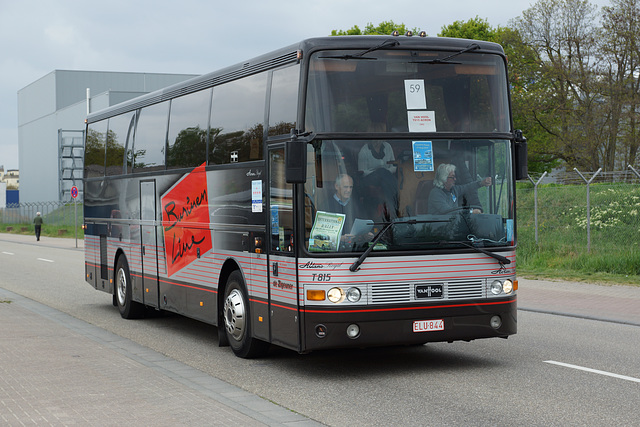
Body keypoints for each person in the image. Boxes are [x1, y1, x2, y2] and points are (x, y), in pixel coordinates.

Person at [326, 174, 373, 248]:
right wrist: (340, 238)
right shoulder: (326, 205)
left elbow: (365, 224)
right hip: (335, 252)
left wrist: (366, 235)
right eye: (345, 187)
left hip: (356, 250)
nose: (348, 190)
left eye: (351, 187)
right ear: (336, 186)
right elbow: (320, 235)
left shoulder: (357, 205)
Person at [427, 164, 492, 215]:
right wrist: (470, 212)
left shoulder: (454, 190)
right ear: (444, 178)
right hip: (439, 227)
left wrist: (481, 183)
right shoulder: (436, 193)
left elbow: (467, 187)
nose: (455, 179)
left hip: (453, 225)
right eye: (452, 177)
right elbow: (448, 211)